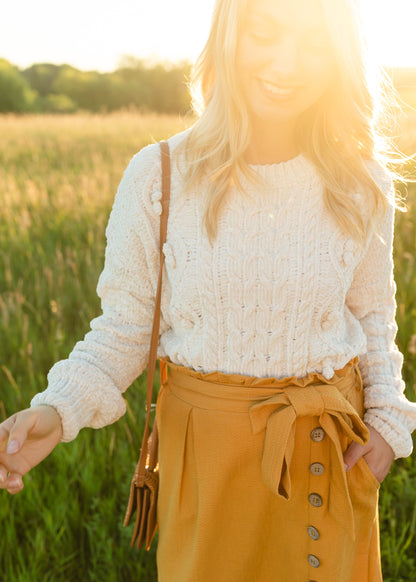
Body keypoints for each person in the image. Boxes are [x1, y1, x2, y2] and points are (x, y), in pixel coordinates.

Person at [1, 0, 416, 580]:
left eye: (314, 44)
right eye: (265, 34)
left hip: (330, 456)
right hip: (209, 464)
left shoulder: (358, 180)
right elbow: (125, 329)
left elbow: (373, 317)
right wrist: (55, 409)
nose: (286, 63)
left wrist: (390, 425)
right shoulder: (160, 177)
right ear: (228, 36)